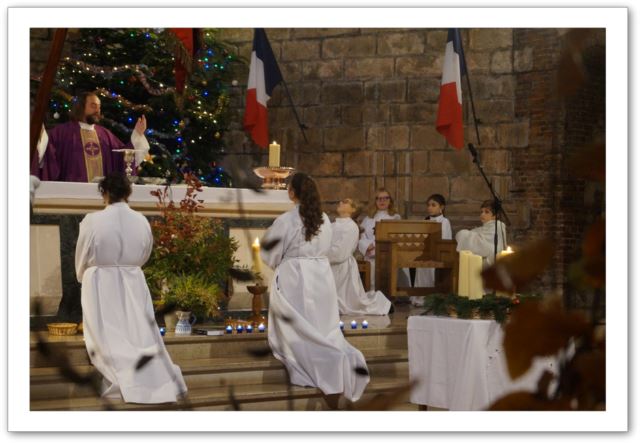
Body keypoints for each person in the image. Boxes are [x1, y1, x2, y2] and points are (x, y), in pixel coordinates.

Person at [75, 172, 187, 403]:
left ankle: (123, 373)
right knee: (138, 332)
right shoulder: (141, 220)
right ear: (128, 193)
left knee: (109, 332)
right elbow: (145, 252)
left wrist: (84, 274)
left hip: (100, 281)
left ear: (104, 193)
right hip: (133, 278)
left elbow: (83, 254)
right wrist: (129, 268)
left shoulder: (92, 220)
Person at [261, 173, 369, 404]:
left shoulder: (287, 220)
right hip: (321, 275)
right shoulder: (324, 219)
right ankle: (337, 363)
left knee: (299, 328)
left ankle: (328, 364)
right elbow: (327, 247)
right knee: (322, 326)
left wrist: (280, 263)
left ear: (292, 193)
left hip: (296, 276)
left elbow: (270, 253)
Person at [31, 91, 149, 182]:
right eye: (93, 106)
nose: (98, 110)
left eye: (99, 107)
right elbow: (47, 158)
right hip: (71, 195)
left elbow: (124, 156)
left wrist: (137, 135)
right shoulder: (61, 133)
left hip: (103, 196)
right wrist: (38, 132)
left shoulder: (105, 135)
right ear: (81, 107)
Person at [328, 198, 392, 316]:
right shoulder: (331, 225)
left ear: (353, 209)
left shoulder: (351, 226)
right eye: (341, 201)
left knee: (348, 303)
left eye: (345, 202)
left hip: (342, 267)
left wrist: (321, 254)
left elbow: (341, 252)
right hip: (329, 264)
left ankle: (381, 305)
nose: (340, 203)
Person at [357, 188, 411, 290]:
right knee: (372, 282)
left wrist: (375, 244)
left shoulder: (395, 217)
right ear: (375, 201)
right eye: (379, 198)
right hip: (371, 256)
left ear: (390, 201)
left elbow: (395, 236)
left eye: (386, 198)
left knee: (389, 284)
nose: (382, 201)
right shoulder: (368, 218)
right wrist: (367, 246)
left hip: (389, 256)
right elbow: (361, 236)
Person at [411, 194, 453, 306]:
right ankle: (420, 297)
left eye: (433, 205)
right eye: (428, 205)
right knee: (421, 270)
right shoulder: (425, 220)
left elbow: (446, 239)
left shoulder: (444, 221)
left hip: (437, 255)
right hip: (424, 254)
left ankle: (432, 299)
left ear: (442, 207)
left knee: (432, 272)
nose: (430, 208)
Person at [455, 199, 507, 267]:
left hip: (491, 264)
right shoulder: (481, 229)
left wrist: (464, 235)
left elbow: (486, 246)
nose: (482, 214)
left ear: (495, 215)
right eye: (482, 211)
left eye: (486, 212)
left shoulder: (498, 226)